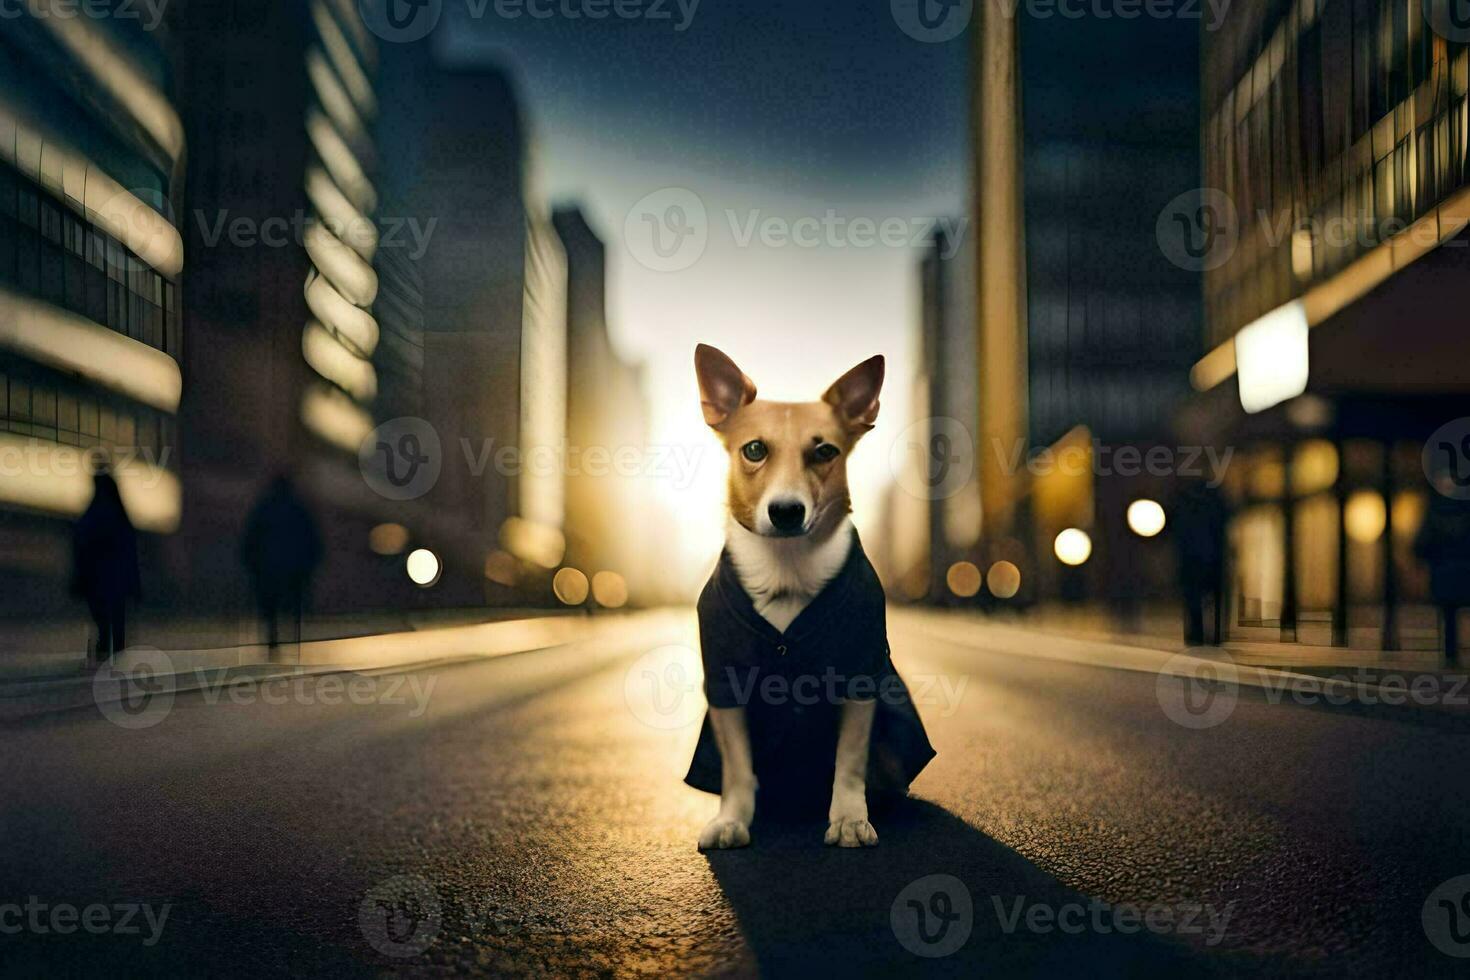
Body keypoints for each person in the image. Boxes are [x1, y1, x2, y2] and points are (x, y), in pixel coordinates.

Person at [240, 475, 323, 650]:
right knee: (294, 604)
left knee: (269, 603)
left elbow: (250, 538)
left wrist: (250, 563)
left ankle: (273, 636)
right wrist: (311, 564)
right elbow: (312, 539)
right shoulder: (299, 509)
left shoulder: (264, 508)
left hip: (267, 567)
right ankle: (294, 636)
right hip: (294, 567)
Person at [71, 469, 140, 663]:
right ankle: (114, 657)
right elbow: (129, 552)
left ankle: (105, 654)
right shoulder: (119, 516)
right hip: (114, 578)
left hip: (99, 578)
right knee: (115, 620)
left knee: (103, 620)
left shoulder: (93, 514)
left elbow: (82, 545)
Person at [1414, 474, 1470, 665]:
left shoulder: (1434, 509)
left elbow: (1422, 543)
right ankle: (1451, 652)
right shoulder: (1466, 508)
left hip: (1443, 571)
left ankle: (1450, 652)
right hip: (1463, 568)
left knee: (1448, 614)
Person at [1173, 478, 1228, 647]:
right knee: (1211, 598)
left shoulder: (1184, 507)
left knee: (1193, 598)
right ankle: (1212, 634)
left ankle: (1196, 633)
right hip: (1211, 557)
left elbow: (1177, 533)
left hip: (1194, 559)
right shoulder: (1215, 505)